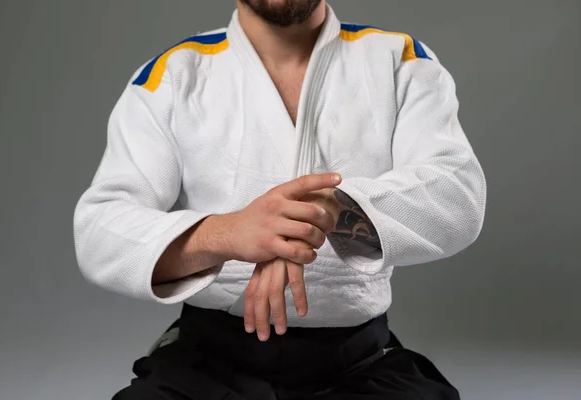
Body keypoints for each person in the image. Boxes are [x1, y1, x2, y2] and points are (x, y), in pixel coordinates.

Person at [73, 1, 486, 399]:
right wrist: (226, 233)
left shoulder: (400, 62)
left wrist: (331, 209)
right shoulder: (173, 75)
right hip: (203, 365)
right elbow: (99, 230)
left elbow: (458, 194)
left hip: (358, 364)